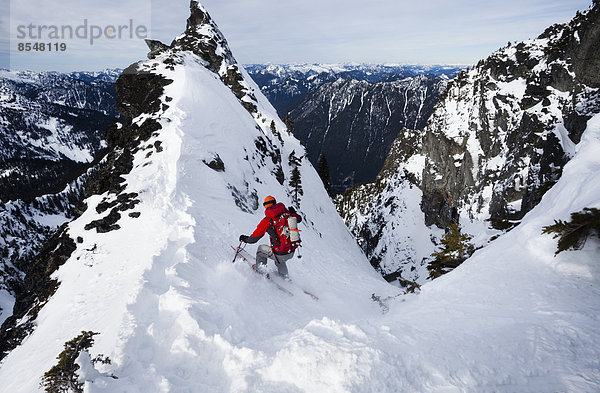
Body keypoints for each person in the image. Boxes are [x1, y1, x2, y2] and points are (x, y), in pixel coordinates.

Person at [239, 195, 302, 279]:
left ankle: (261, 271)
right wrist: (293, 213)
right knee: (280, 253)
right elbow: (299, 219)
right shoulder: (287, 213)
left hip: (281, 253)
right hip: (292, 250)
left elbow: (253, 239)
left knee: (261, 250)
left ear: (265, 206)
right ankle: (284, 277)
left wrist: (245, 239)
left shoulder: (268, 220)